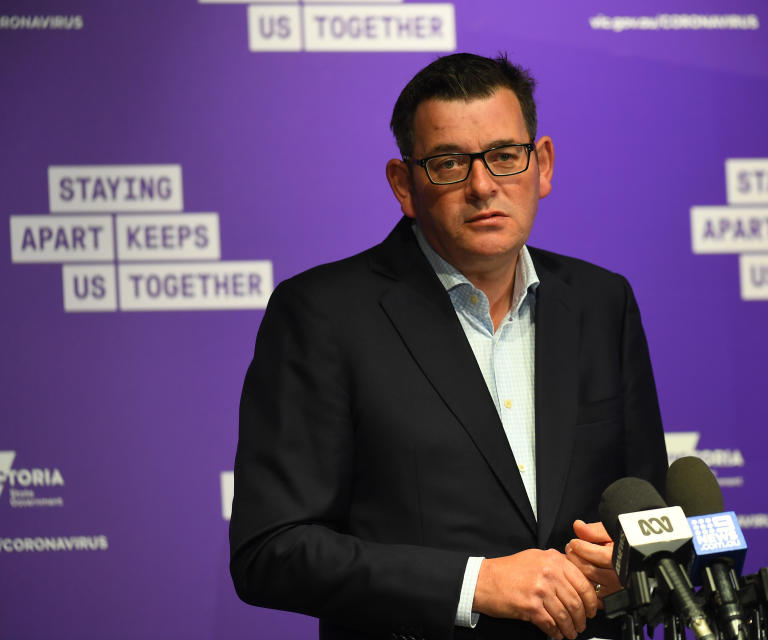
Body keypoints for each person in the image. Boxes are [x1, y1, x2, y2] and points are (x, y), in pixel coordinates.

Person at [230, 52, 668, 640]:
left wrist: (626, 567)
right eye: (448, 164)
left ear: (542, 165)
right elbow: (271, 550)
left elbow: (648, 514)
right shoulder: (322, 314)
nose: (483, 186)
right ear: (403, 184)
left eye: (504, 156)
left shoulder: (602, 302)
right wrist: (473, 584)